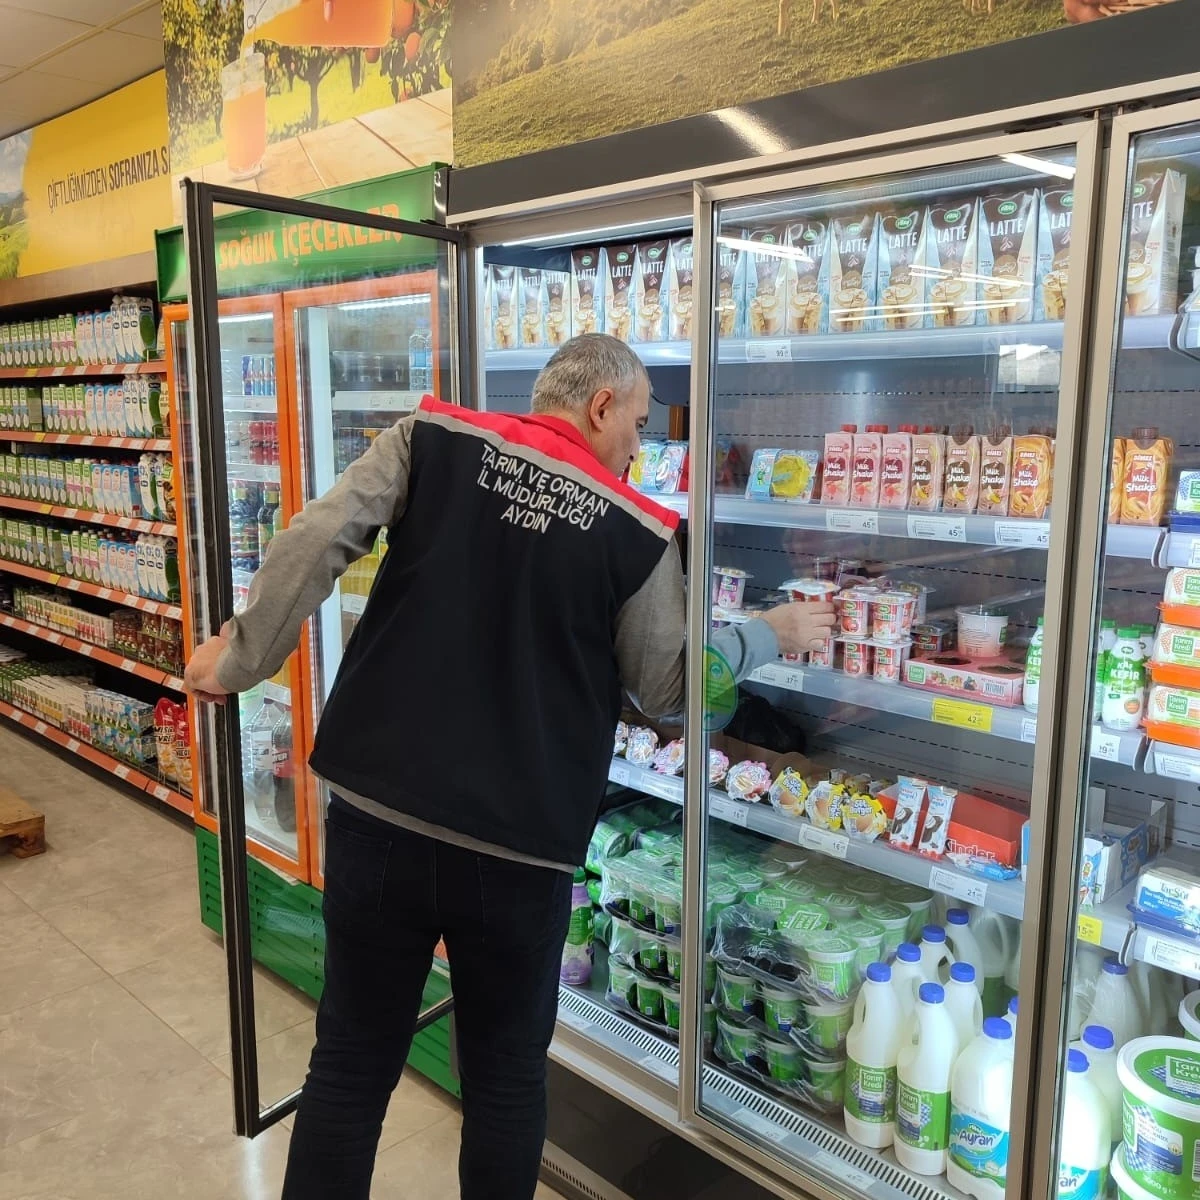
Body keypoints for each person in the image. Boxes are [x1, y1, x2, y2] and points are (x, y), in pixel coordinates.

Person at [185, 333, 834, 1200]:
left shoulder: (432, 437)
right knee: (505, 1081)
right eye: (640, 423)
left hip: (381, 813)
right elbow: (668, 689)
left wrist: (238, 659)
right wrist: (767, 634)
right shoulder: (638, 530)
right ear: (601, 406)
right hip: (520, 853)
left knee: (350, 1062)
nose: (639, 446)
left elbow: (315, 539)